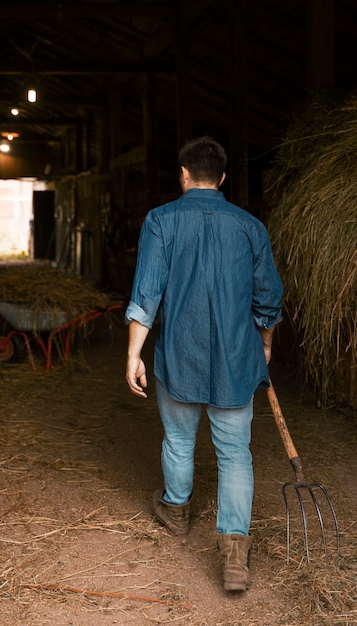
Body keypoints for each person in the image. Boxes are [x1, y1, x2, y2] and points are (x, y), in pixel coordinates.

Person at [125, 136, 283, 592]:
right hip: (236, 357)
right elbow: (268, 298)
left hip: (179, 353)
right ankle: (235, 554)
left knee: (178, 438)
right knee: (236, 454)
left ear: (184, 174)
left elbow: (146, 293)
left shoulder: (161, 221)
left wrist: (134, 352)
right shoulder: (251, 227)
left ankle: (176, 509)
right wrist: (265, 343)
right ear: (224, 178)